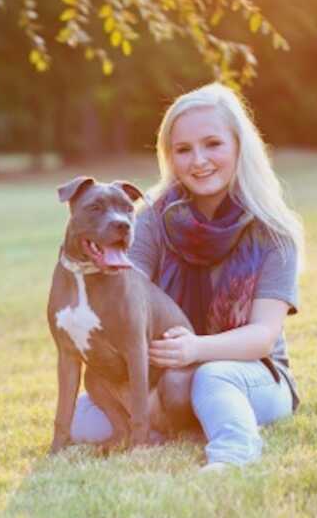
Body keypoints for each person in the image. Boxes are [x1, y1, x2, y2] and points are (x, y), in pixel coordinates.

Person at [70, 82, 305, 470]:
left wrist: (195, 349)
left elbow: (263, 337)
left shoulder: (274, 233)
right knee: (86, 417)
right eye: (183, 150)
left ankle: (232, 454)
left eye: (213, 144)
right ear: (170, 157)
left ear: (239, 146)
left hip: (247, 374)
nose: (199, 161)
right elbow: (123, 294)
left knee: (211, 379)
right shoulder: (150, 221)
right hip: (164, 373)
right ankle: (181, 420)